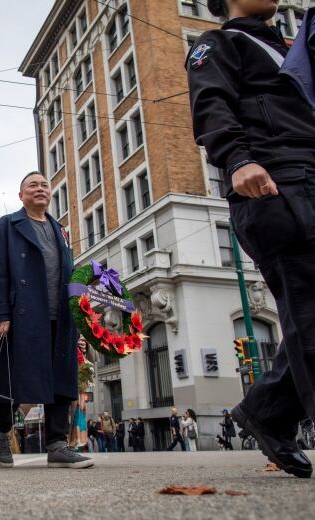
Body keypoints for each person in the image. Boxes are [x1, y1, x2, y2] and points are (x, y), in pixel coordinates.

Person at [188, 0, 315, 479]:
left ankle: (268, 410)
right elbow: (210, 103)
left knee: (306, 316)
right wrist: (238, 159)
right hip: (276, 181)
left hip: (309, 172)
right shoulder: (216, 43)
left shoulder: (293, 46)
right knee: (309, 308)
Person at [0, 172, 93, 470]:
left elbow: (69, 272)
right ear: (21, 195)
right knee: (14, 376)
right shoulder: (7, 224)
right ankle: (1, 430)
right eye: (32, 185)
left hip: (60, 315)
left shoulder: (60, 230)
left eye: (44, 185)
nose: (40, 189)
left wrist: (80, 311)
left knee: (61, 377)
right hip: (23, 314)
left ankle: (57, 445)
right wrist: (1, 314)